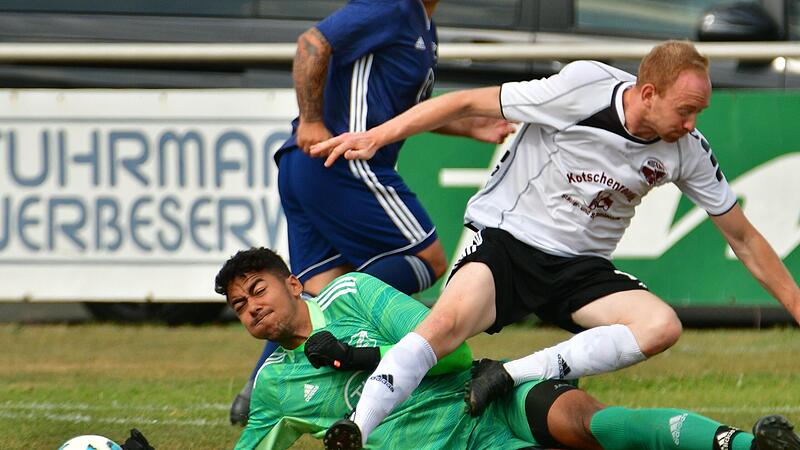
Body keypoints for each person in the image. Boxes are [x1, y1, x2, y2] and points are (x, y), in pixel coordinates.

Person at [309, 40, 800, 446]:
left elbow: (745, 239)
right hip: (507, 240)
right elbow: (463, 102)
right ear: (648, 93)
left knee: (660, 325)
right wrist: (377, 137)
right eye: (687, 109)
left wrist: (796, 303)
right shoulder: (582, 87)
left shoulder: (687, 150)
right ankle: (358, 427)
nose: (693, 123)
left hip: (580, 269)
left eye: (700, 111)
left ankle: (510, 373)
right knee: (447, 326)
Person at [229, 0, 516, 424]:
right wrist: (311, 120)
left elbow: (391, 104)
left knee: (311, 292)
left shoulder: (422, 23)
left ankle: (258, 391)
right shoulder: (392, 6)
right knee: (426, 259)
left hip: (306, 166)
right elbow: (312, 43)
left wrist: (465, 125)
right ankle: (366, 333)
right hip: (340, 158)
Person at [214, 247, 800, 450]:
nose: (253, 308)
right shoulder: (271, 387)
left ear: (293, 284)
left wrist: (347, 354)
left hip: (486, 395)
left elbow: (453, 353)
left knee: (585, 422)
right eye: (240, 306)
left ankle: (745, 442)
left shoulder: (351, 294)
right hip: (454, 445)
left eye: (258, 290)